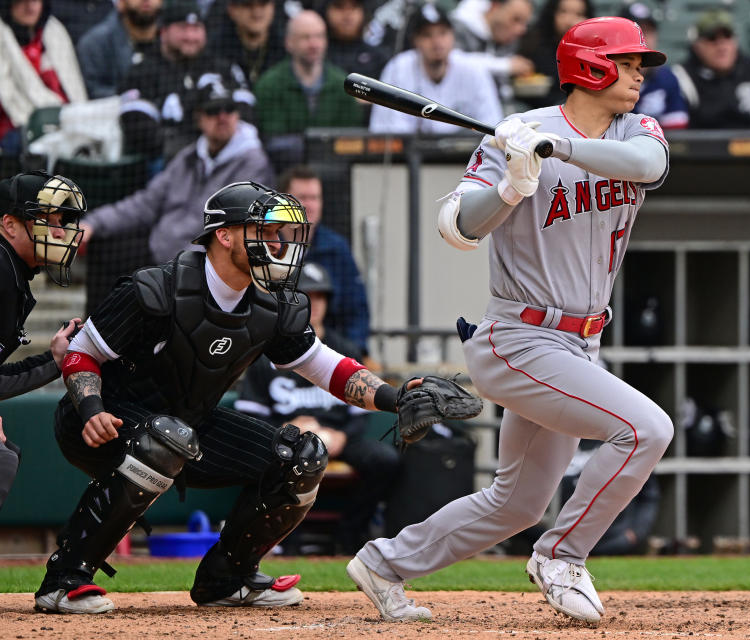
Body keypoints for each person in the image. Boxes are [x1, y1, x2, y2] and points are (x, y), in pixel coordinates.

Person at [347, 16, 674, 624]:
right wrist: (511, 186)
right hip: (518, 337)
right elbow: (459, 226)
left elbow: (647, 165)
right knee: (647, 430)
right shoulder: (516, 136)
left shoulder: (634, 128)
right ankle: (564, 556)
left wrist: (558, 149)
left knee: (517, 503)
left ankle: (385, 563)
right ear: (591, 67)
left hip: (580, 344)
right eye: (628, 64)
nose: (637, 76)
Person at [34, 180, 478, 613]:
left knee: (300, 456)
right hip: (99, 420)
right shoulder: (154, 289)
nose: (276, 243)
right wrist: (91, 409)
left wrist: (395, 396)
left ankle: (228, 579)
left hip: (187, 426)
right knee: (163, 439)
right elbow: (80, 354)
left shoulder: (274, 306)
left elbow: (327, 367)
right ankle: (65, 580)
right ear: (223, 235)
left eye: (276, 234)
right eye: (261, 232)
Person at [236, 262, 399, 553]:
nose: (314, 303)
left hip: (337, 435)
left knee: (384, 460)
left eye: (320, 295)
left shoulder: (343, 348)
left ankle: (350, 534)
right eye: (306, 294)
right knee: (268, 461)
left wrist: (341, 437)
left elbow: (359, 413)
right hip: (285, 442)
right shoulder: (267, 353)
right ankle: (288, 541)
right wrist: (286, 432)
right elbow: (250, 414)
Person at [79, 82, 272, 276]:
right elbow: (145, 204)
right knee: (103, 248)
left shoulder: (253, 163)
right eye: (213, 110)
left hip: (205, 266)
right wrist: (93, 223)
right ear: (199, 118)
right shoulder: (188, 156)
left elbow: (234, 231)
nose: (222, 117)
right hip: (160, 253)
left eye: (229, 109)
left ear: (237, 114)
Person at [0, 171, 87, 509]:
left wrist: (55, 361)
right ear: (10, 225)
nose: (59, 231)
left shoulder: (12, 272)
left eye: (61, 221)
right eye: (45, 220)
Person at [118, 0, 254, 161]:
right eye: (183, 28)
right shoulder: (142, 71)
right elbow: (137, 128)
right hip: (170, 163)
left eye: (196, 28)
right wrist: (199, 142)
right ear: (163, 32)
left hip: (227, 157)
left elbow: (248, 116)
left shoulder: (223, 67)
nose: (190, 37)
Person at [369, 4, 502, 134]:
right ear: (415, 40)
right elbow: (387, 131)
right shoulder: (398, 68)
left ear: (452, 36)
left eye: (443, 33)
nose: (436, 42)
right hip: (411, 155)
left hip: (465, 154)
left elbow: (491, 125)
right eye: (427, 35)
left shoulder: (472, 69)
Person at [282, 165, 370, 353]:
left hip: (328, 350)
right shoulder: (266, 245)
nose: (309, 205)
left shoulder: (337, 248)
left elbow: (356, 308)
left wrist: (354, 352)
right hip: (275, 353)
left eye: (314, 198)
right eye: (302, 198)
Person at [254, 9, 364, 137]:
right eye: (305, 37)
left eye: (319, 36)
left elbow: (351, 138)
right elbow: (272, 138)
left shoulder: (343, 85)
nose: (314, 44)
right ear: (289, 42)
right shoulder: (269, 85)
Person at [0, 0, 88, 155]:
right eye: (21, 1)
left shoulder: (55, 30)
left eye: (35, 0)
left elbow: (75, 91)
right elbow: (9, 99)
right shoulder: (3, 36)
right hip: (18, 131)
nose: (30, 6)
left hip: (68, 123)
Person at [450, 0, 536, 107]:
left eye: (524, 23)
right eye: (516, 19)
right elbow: (452, 60)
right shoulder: (458, 27)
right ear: (495, 7)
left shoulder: (508, 36)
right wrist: (506, 65)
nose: (521, 30)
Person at [515, 0, 593, 110]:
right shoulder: (534, 44)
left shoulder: (592, 50)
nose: (569, 20)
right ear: (552, 13)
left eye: (579, 14)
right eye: (563, 12)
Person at [75, 0, 161, 99]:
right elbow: (91, 93)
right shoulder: (95, 44)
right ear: (121, 3)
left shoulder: (173, 40)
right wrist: (130, 96)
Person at [622, 2, 688, 129]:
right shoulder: (608, 77)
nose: (644, 38)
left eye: (649, 31)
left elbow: (678, 136)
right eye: (637, 31)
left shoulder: (667, 78)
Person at [207, 0, 286, 85]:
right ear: (232, 10)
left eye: (263, 5)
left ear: (272, 7)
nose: (256, 13)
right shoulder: (217, 48)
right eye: (248, 5)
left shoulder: (286, 48)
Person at [320, 0, 390, 81]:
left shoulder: (378, 59)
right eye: (339, 6)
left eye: (354, 7)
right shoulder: (316, 54)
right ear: (326, 11)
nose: (347, 14)